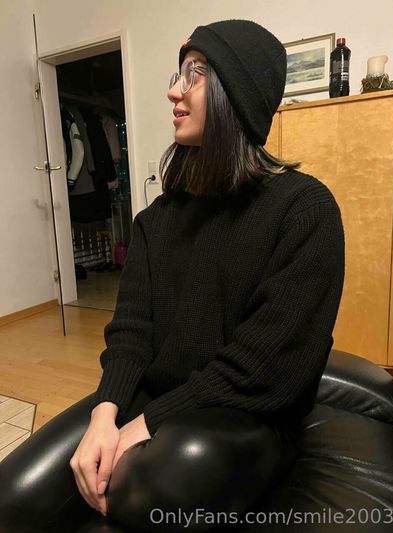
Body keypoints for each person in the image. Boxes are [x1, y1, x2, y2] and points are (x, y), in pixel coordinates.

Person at [0, 19, 345, 533]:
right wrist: (104, 415)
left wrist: (145, 424)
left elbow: (267, 368)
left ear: (238, 93)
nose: (173, 90)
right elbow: (131, 331)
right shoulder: (155, 220)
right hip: (159, 397)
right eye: (178, 73)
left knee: (147, 491)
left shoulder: (305, 210)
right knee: (14, 494)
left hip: (247, 414)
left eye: (195, 73)